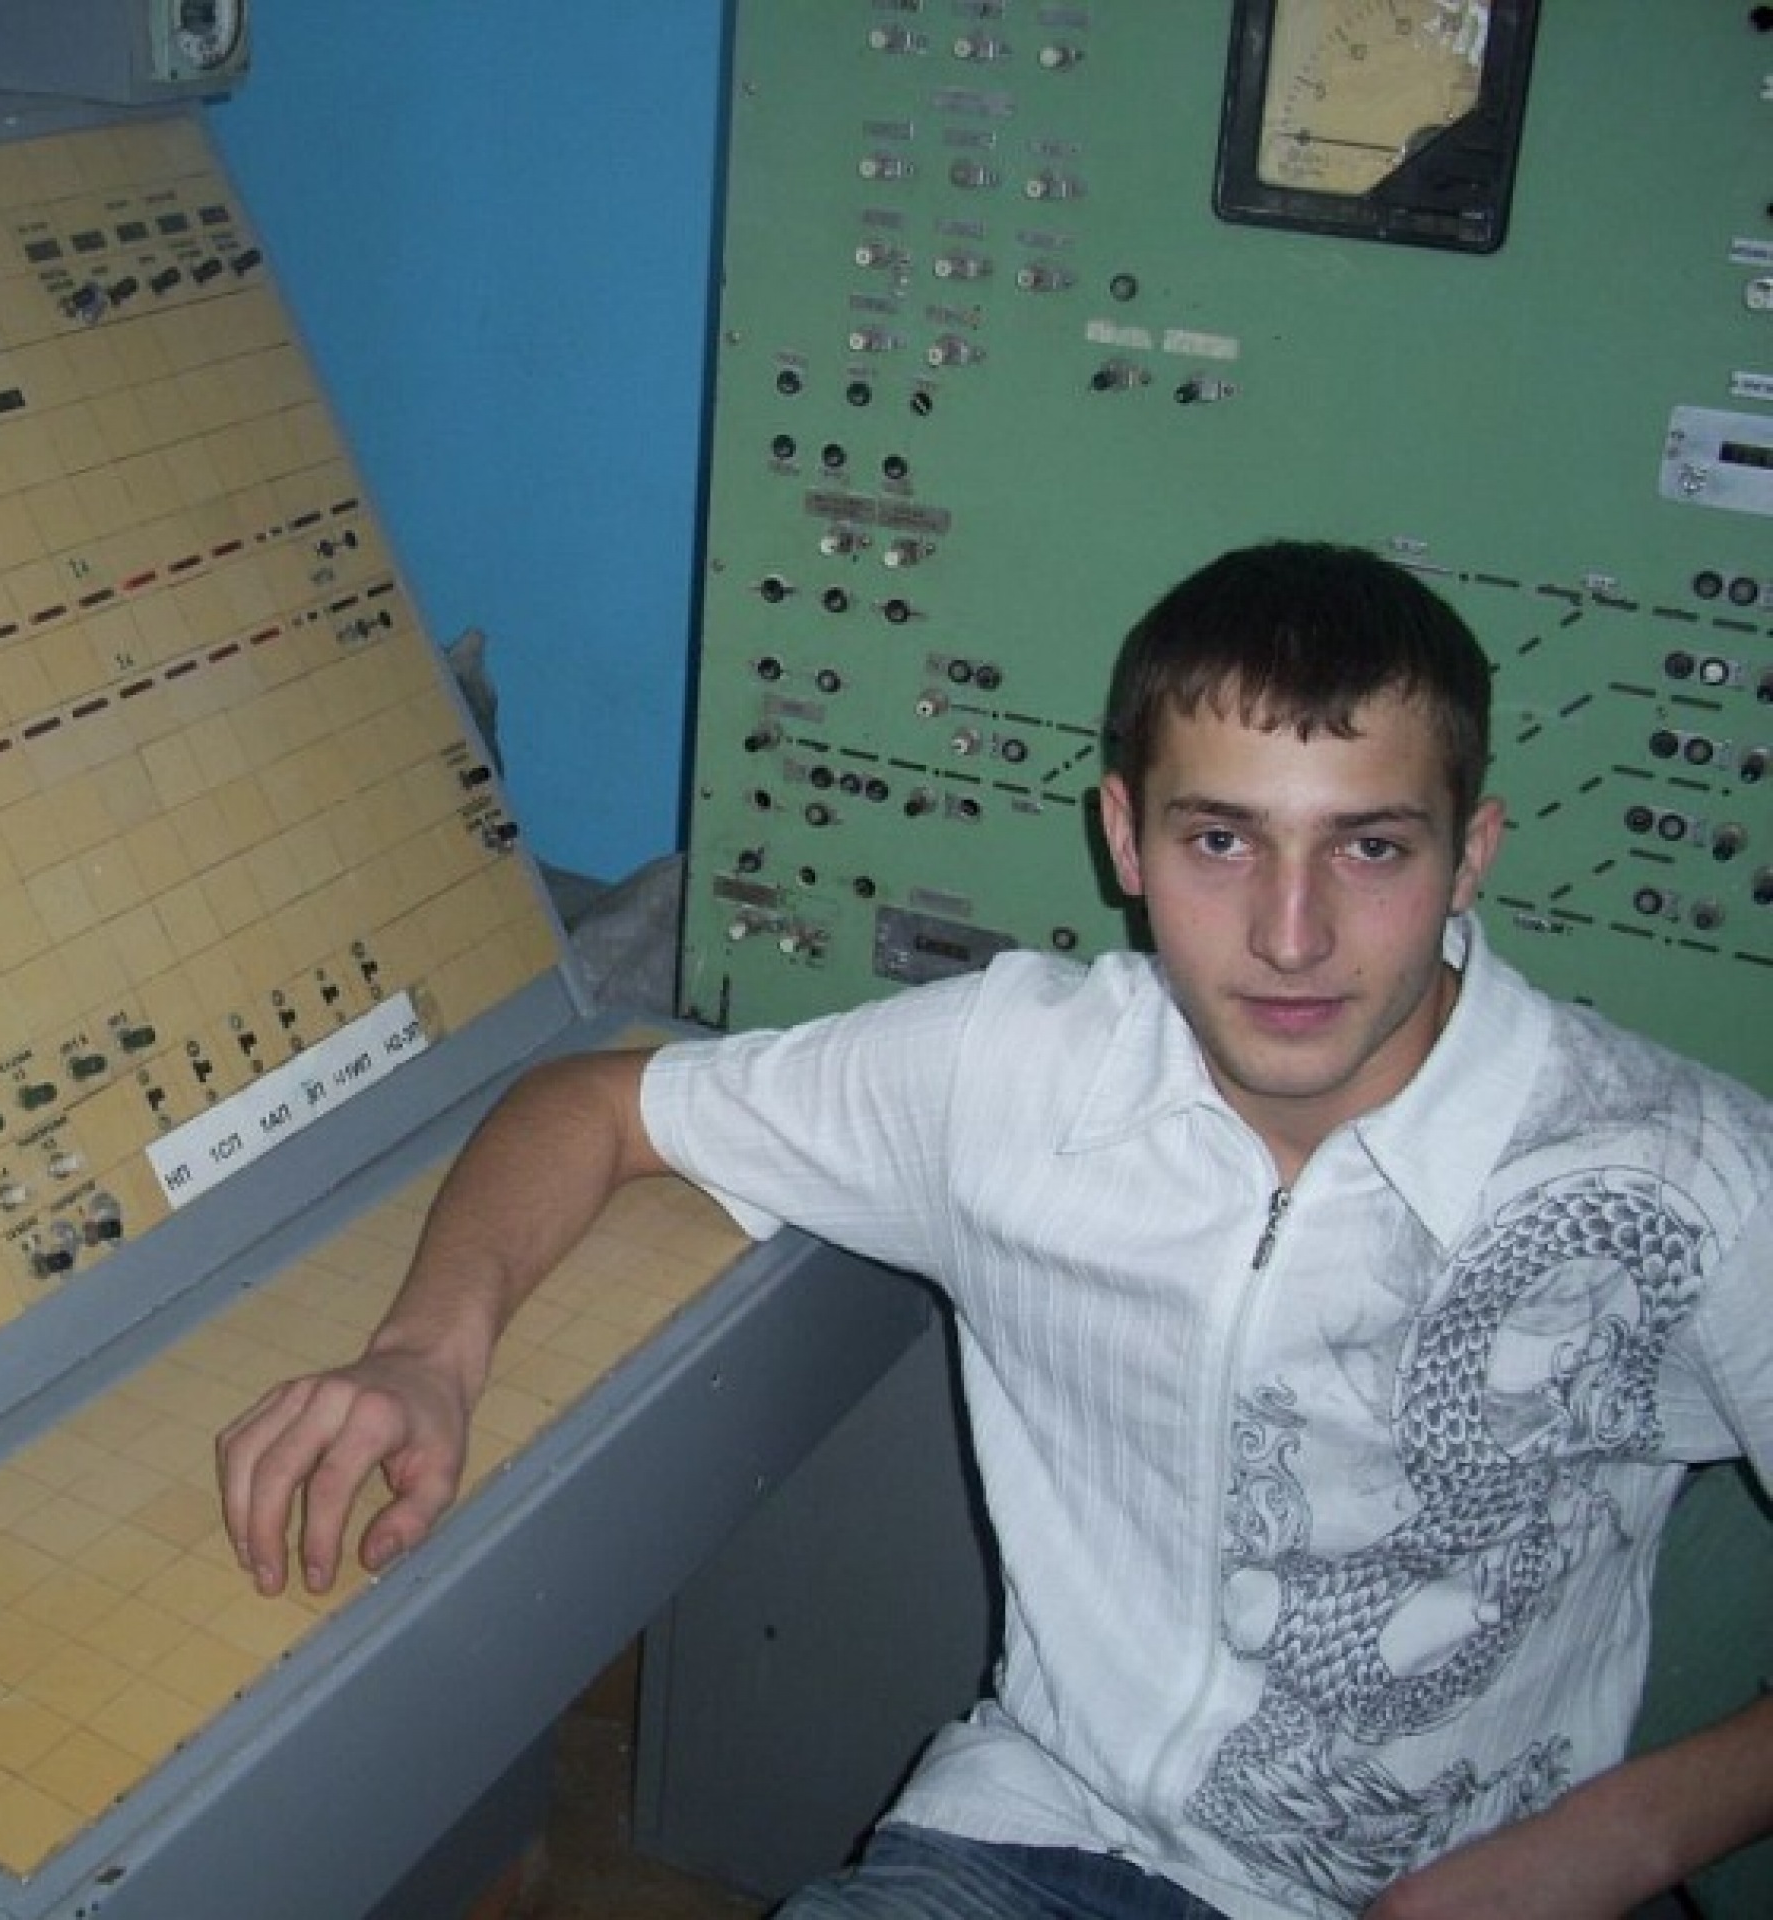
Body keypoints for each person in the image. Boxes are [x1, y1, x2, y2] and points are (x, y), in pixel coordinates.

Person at [216, 541, 1773, 1919]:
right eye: (1220, 841)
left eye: (1369, 847)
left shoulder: (1679, 1175)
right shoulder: (1016, 1075)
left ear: (1470, 854)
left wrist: (1617, 1841)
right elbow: (599, 1105)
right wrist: (428, 1354)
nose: (1290, 934)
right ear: (1124, 839)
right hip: (1046, 1839)